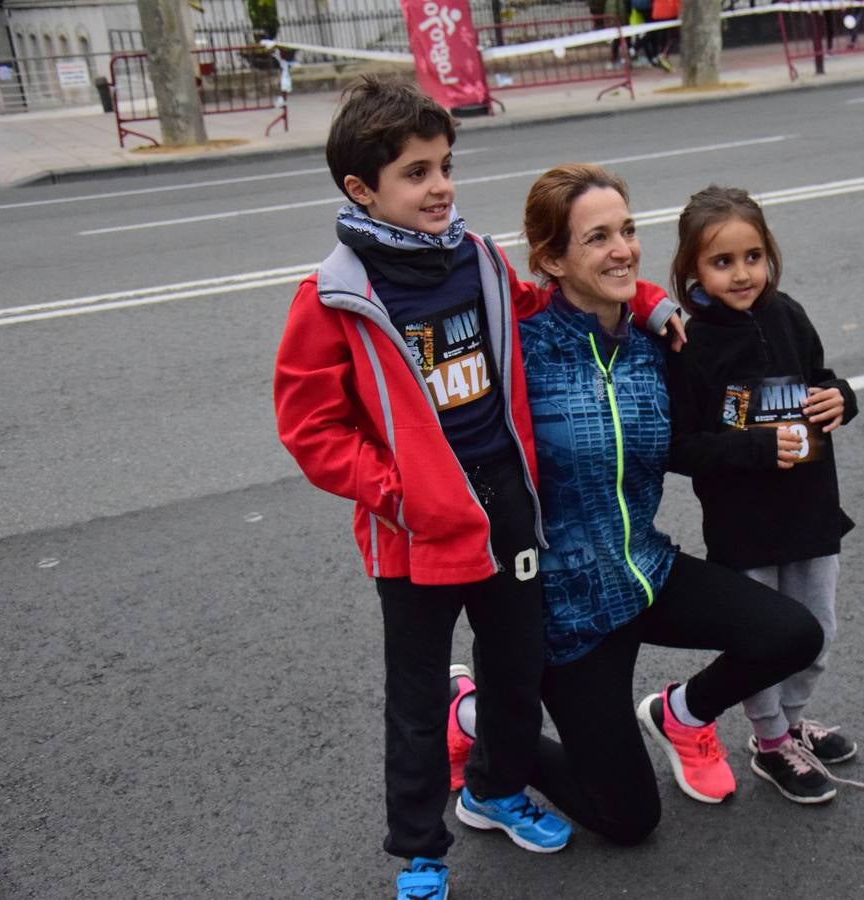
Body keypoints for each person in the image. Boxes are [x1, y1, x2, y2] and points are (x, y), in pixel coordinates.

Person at [273, 78, 677, 900]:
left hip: (507, 509)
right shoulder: (334, 297)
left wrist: (650, 297)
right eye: (417, 173)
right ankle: (422, 852)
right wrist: (399, 493)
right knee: (419, 704)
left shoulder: (479, 259)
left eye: (445, 165)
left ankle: (493, 791)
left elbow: (546, 297)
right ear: (363, 190)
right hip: (416, 530)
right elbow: (311, 430)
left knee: (513, 672)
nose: (441, 186)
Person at [447, 163, 825, 844]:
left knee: (794, 633)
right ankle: (477, 721)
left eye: (626, 230)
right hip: (564, 611)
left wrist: (818, 410)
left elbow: (703, 425)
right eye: (597, 238)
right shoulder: (518, 352)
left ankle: (682, 714)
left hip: (644, 571)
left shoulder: (658, 342)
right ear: (551, 259)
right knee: (628, 820)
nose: (622, 248)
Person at [663, 185, 861, 804]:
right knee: (764, 638)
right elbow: (679, 445)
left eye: (752, 256)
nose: (742, 273)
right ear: (693, 269)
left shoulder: (790, 314)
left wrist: (842, 398)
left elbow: (821, 381)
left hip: (811, 514)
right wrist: (749, 449)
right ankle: (771, 743)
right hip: (744, 527)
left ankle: (793, 722)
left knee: (817, 631)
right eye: (722, 262)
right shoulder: (689, 346)